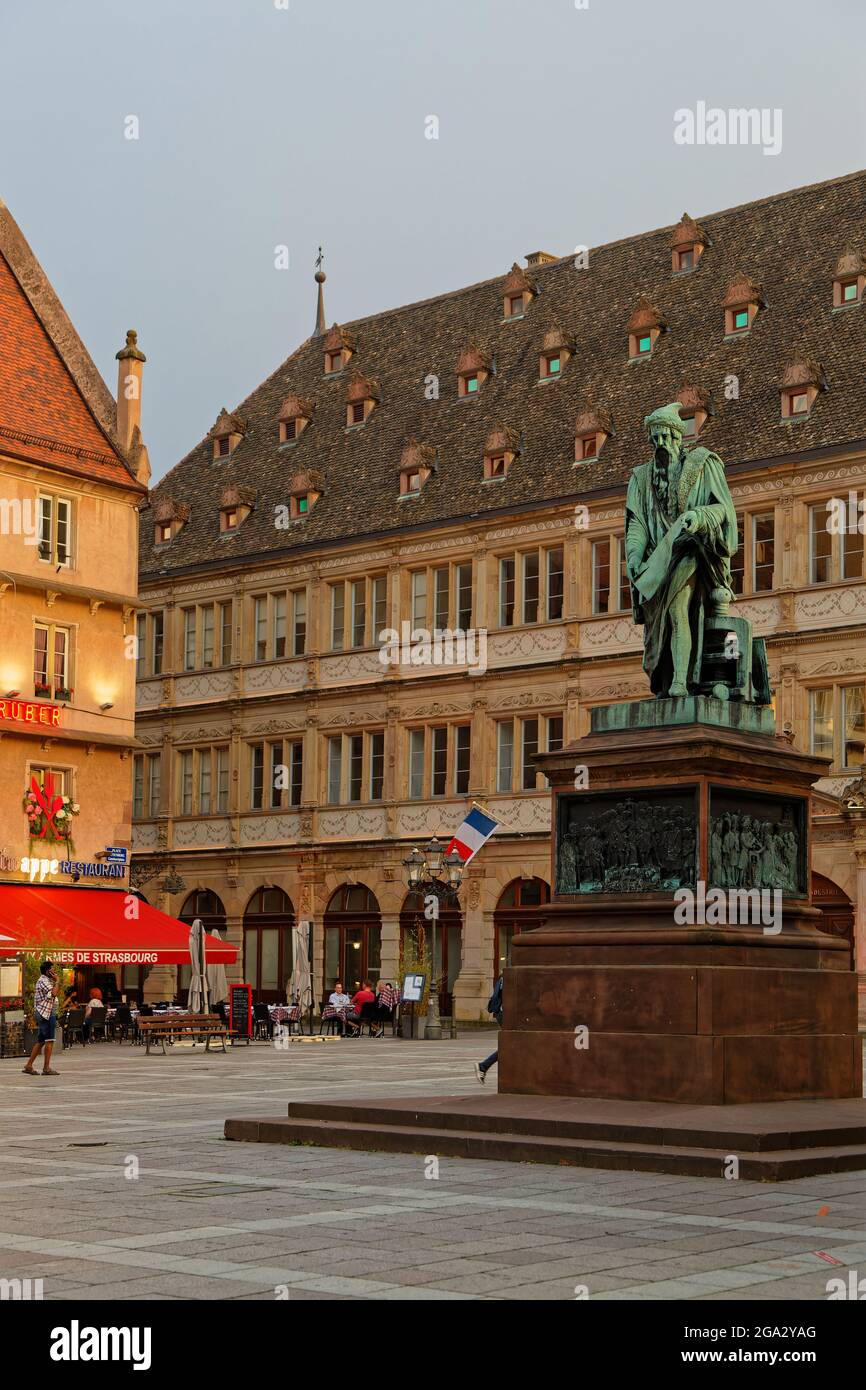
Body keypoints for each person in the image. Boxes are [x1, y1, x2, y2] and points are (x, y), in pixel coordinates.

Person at [23, 960, 60, 1076]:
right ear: (47, 971)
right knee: (49, 1040)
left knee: (41, 1041)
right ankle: (46, 1068)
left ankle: (29, 1065)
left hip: (45, 1013)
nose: (54, 971)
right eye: (52, 969)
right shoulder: (44, 981)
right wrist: (57, 981)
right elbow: (54, 993)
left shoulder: (45, 980)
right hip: (47, 1014)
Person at [475, 974, 503, 1084]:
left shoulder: (504, 977)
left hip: (502, 1013)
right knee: (513, 1044)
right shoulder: (509, 977)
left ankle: (484, 1066)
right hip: (505, 1014)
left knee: (514, 1044)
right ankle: (483, 1066)